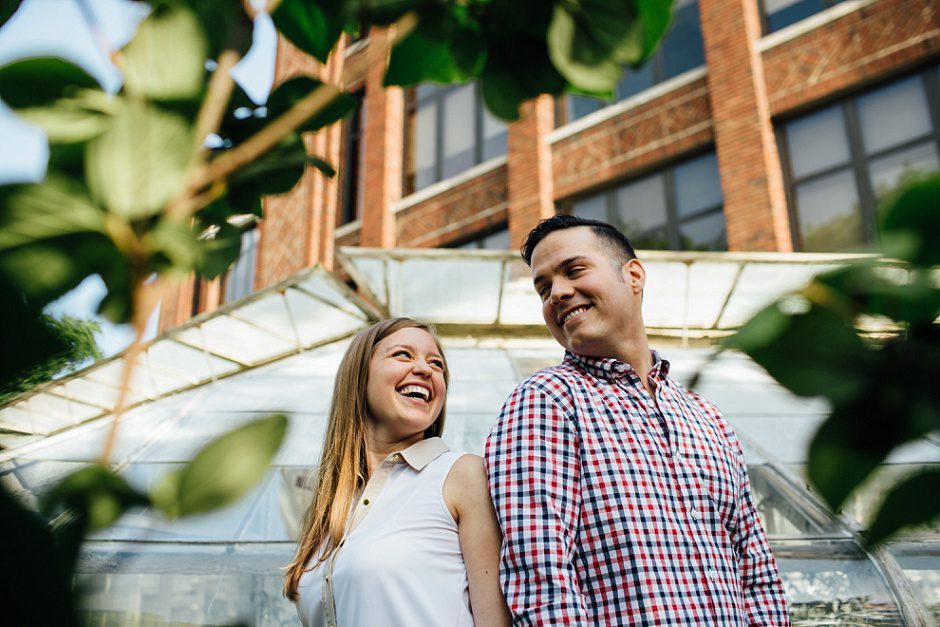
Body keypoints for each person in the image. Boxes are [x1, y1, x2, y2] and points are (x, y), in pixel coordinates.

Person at [485, 216, 790, 625]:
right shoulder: (545, 401)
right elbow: (540, 574)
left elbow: (756, 574)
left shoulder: (707, 418)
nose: (557, 293)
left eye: (574, 270)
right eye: (543, 288)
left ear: (633, 276)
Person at [285, 317, 511, 627]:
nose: (425, 369)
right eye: (402, 355)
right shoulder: (328, 507)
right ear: (359, 375)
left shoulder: (461, 475)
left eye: (437, 364)